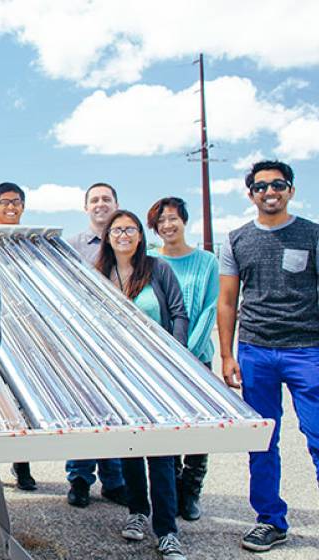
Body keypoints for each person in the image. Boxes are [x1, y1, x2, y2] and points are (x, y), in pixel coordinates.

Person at [217, 160, 319, 553]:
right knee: (262, 440)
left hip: (306, 350)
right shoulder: (237, 240)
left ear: (291, 190)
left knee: (317, 434)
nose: (269, 192)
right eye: (261, 187)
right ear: (251, 195)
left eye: (278, 184)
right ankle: (270, 520)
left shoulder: (312, 234)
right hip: (256, 351)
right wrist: (227, 355)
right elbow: (228, 302)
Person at [97, 210, 189, 560]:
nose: (123, 235)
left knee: (160, 450)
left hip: (157, 372)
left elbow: (178, 313)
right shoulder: (98, 274)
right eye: (117, 230)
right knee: (130, 447)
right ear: (108, 237)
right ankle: (137, 512)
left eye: (130, 229)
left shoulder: (158, 268)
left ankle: (166, 530)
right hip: (117, 372)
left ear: (140, 235)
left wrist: (174, 358)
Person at [147, 197, 218, 521]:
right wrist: (166, 353)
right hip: (160, 360)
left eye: (173, 218)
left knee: (199, 425)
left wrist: (187, 352)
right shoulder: (150, 261)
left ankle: (191, 490)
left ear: (184, 221)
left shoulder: (206, 262)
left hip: (196, 357)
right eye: (161, 221)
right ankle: (172, 487)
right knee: (168, 424)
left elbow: (209, 308)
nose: (167, 225)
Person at [63, 182, 127, 508]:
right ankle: (79, 478)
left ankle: (114, 480)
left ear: (116, 204)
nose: (101, 204)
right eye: (95, 200)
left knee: (116, 409)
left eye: (107, 199)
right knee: (84, 409)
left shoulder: (127, 242)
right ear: (86, 207)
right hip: (83, 340)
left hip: (121, 341)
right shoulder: (72, 246)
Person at [0, 182, 36, 492]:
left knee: (25, 398)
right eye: (5, 202)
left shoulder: (32, 244)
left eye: (16, 202)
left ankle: (23, 465)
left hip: (24, 333)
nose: (11, 207)